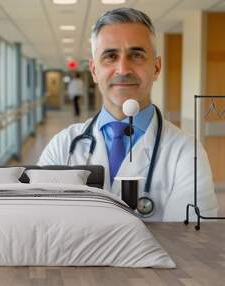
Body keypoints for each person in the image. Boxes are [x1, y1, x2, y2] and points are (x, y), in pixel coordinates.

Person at [37, 8, 218, 221]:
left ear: (156, 68)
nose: (123, 69)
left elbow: (190, 246)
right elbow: (41, 230)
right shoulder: (62, 147)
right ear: (94, 70)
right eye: (110, 56)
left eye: (136, 55)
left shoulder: (187, 153)